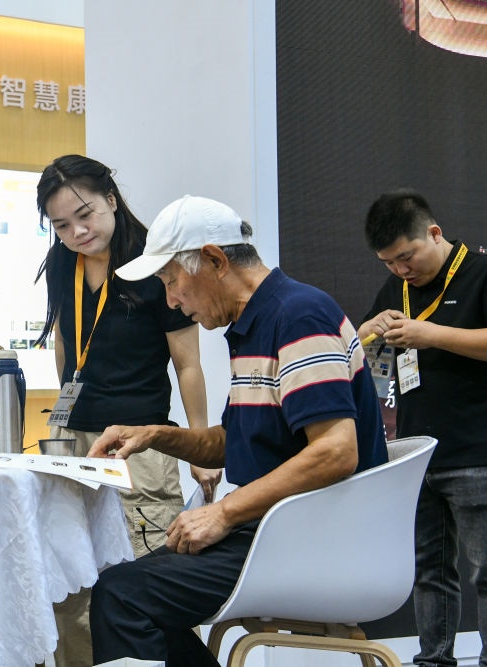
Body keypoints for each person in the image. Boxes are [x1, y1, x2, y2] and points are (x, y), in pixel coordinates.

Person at [86, 194, 388, 665]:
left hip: (313, 538)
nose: (171, 300)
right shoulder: (257, 324)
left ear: (215, 260)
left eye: (172, 281)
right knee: (120, 589)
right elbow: (231, 443)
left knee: (123, 595)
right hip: (278, 528)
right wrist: (153, 435)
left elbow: (335, 451)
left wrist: (224, 513)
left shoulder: (299, 316)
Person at [34, 155, 219, 666]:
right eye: (61, 225)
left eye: (85, 215)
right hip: (76, 443)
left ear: (112, 200)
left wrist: (200, 447)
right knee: (72, 583)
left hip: (139, 445)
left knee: (143, 577)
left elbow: (187, 364)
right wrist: (62, 416)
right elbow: (65, 342)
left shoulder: (154, 263)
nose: (77, 232)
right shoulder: (62, 263)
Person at [358, 189, 487, 667]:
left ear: (434, 233)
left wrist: (434, 335)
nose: (401, 269)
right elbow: (361, 356)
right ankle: (433, 660)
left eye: (407, 256)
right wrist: (367, 331)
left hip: (480, 452)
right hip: (418, 454)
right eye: (388, 262)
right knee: (429, 571)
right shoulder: (396, 290)